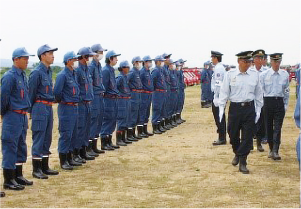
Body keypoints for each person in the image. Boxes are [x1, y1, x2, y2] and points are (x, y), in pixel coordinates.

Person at [219, 51, 263, 174]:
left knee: (248, 136)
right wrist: (221, 108)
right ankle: (237, 153)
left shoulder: (255, 75)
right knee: (232, 135)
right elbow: (224, 92)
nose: (248, 64)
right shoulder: (230, 74)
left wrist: (259, 109)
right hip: (235, 108)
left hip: (249, 108)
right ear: (239, 61)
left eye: (249, 61)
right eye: (245, 61)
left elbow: (259, 93)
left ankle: (243, 161)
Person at [0, 47, 34, 192]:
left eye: (27, 58)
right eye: (24, 58)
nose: (27, 61)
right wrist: (3, 114)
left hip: (22, 115)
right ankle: (8, 179)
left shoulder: (22, 76)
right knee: (10, 146)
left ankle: (18, 175)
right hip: (12, 115)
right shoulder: (9, 76)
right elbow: (3, 98)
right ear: (16, 60)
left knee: (21, 145)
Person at [28, 44, 59, 179]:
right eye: (50, 53)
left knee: (47, 137)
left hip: (48, 106)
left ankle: (45, 166)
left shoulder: (49, 71)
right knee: (39, 136)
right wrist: (30, 112)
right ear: (42, 56)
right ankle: (36, 169)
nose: (53, 55)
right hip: (39, 106)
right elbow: (31, 93)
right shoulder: (36, 73)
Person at [54, 51, 81, 170]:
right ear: (68, 61)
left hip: (74, 107)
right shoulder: (62, 75)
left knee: (73, 134)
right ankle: (63, 160)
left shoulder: (73, 74)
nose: (76, 62)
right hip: (66, 107)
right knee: (66, 133)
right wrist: (64, 101)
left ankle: (70, 157)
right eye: (74, 60)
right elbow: (57, 93)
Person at [260, 53, 289, 160]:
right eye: (275, 61)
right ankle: (271, 148)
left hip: (279, 102)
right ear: (271, 62)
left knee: (278, 127)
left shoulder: (285, 74)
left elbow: (286, 91)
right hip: (268, 102)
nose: (277, 64)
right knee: (268, 127)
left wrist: (285, 104)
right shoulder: (264, 75)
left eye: (278, 61)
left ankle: (276, 150)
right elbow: (260, 91)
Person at [75, 47, 96, 161]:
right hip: (81, 103)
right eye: (88, 56)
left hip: (88, 103)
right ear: (83, 57)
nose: (90, 59)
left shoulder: (87, 69)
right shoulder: (78, 70)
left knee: (87, 128)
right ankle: (77, 153)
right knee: (80, 129)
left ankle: (84, 151)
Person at [88, 44, 107, 154]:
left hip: (100, 96)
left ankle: (94, 146)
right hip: (94, 96)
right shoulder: (91, 66)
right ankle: (89, 147)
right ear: (94, 53)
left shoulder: (98, 65)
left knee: (99, 120)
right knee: (93, 120)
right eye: (100, 52)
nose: (101, 55)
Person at [100, 50, 121, 150]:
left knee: (113, 120)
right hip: (108, 99)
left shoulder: (111, 70)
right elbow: (103, 86)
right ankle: (104, 142)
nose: (117, 59)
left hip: (114, 99)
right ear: (110, 59)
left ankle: (109, 141)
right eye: (115, 57)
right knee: (107, 120)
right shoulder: (105, 70)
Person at [250, 50, 266, 152]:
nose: (260, 60)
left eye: (261, 58)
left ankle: (259, 143)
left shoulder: (266, 71)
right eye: (258, 58)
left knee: (261, 122)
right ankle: (249, 143)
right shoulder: (250, 71)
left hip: (262, 100)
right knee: (250, 122)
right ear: (254, 60)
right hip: (251, 100)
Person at [128, 56, 147, 139]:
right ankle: (130, 134)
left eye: (140, 62)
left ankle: (134, 133)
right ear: (134, 63)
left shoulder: (138, 72)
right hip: (134, 94)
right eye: (138, 62)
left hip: (138, 94)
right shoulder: (132, 72)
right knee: (132, 115)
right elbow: (126, 82)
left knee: (137, 115)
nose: (140, 64)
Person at [116, 61, 134, 145]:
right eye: (127, 67)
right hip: (122, 100)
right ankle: (119, 140)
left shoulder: (125, 77)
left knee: (127, 118)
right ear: (123, 68)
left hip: (127, 99)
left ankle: (123, 138)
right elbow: (115, 88)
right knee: (122, 118)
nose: (129, 69)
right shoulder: (120, 77)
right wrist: (119, 96)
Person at [211, 51, 227, 146]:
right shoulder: (218, 67)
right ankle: (221, 136)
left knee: (219, 117)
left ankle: (222, 138)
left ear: (216, 58)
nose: (211, 60)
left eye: (212, 58)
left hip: (219, 96)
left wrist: (217, 97)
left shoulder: (219, 68)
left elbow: (218, 84)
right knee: (219, 116)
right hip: (219, 95)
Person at [151, 55, 167, 134]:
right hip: (157, 93)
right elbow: (152, 81)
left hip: (162, 92)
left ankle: (159, 125)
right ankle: (155, 126)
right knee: (157, 109)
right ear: (157, 62)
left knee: (161, 109)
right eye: (161, 61)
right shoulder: (155, 70)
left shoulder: (160, 70)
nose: (163, 63)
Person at [139, 55, 155, 136]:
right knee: (142, 111)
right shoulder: (142, 72)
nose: (150, 63)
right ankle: (140, 131)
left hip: (149, 94)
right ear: (144, 62)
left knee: (147, 112)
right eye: (149, 61)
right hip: (144, 94)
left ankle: (144, 130)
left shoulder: (148, 71)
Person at [168, 59, 179, 125]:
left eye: (173, 64)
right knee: (170, 107)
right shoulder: (168, 72)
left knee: (175, 106)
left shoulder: (174, 72)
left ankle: (173, 120)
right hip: (171, 91)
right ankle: (169, 121)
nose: (173, 65)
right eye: (172, 64)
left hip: (175, 91)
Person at [176, 59, 187, 123]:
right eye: (182, 63)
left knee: (181, 103)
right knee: (178, 103)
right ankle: (177, 118)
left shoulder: (181, 71)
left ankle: (179, 116)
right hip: (179, 89)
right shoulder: (177, 72)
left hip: (181, 89)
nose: (183, 64)